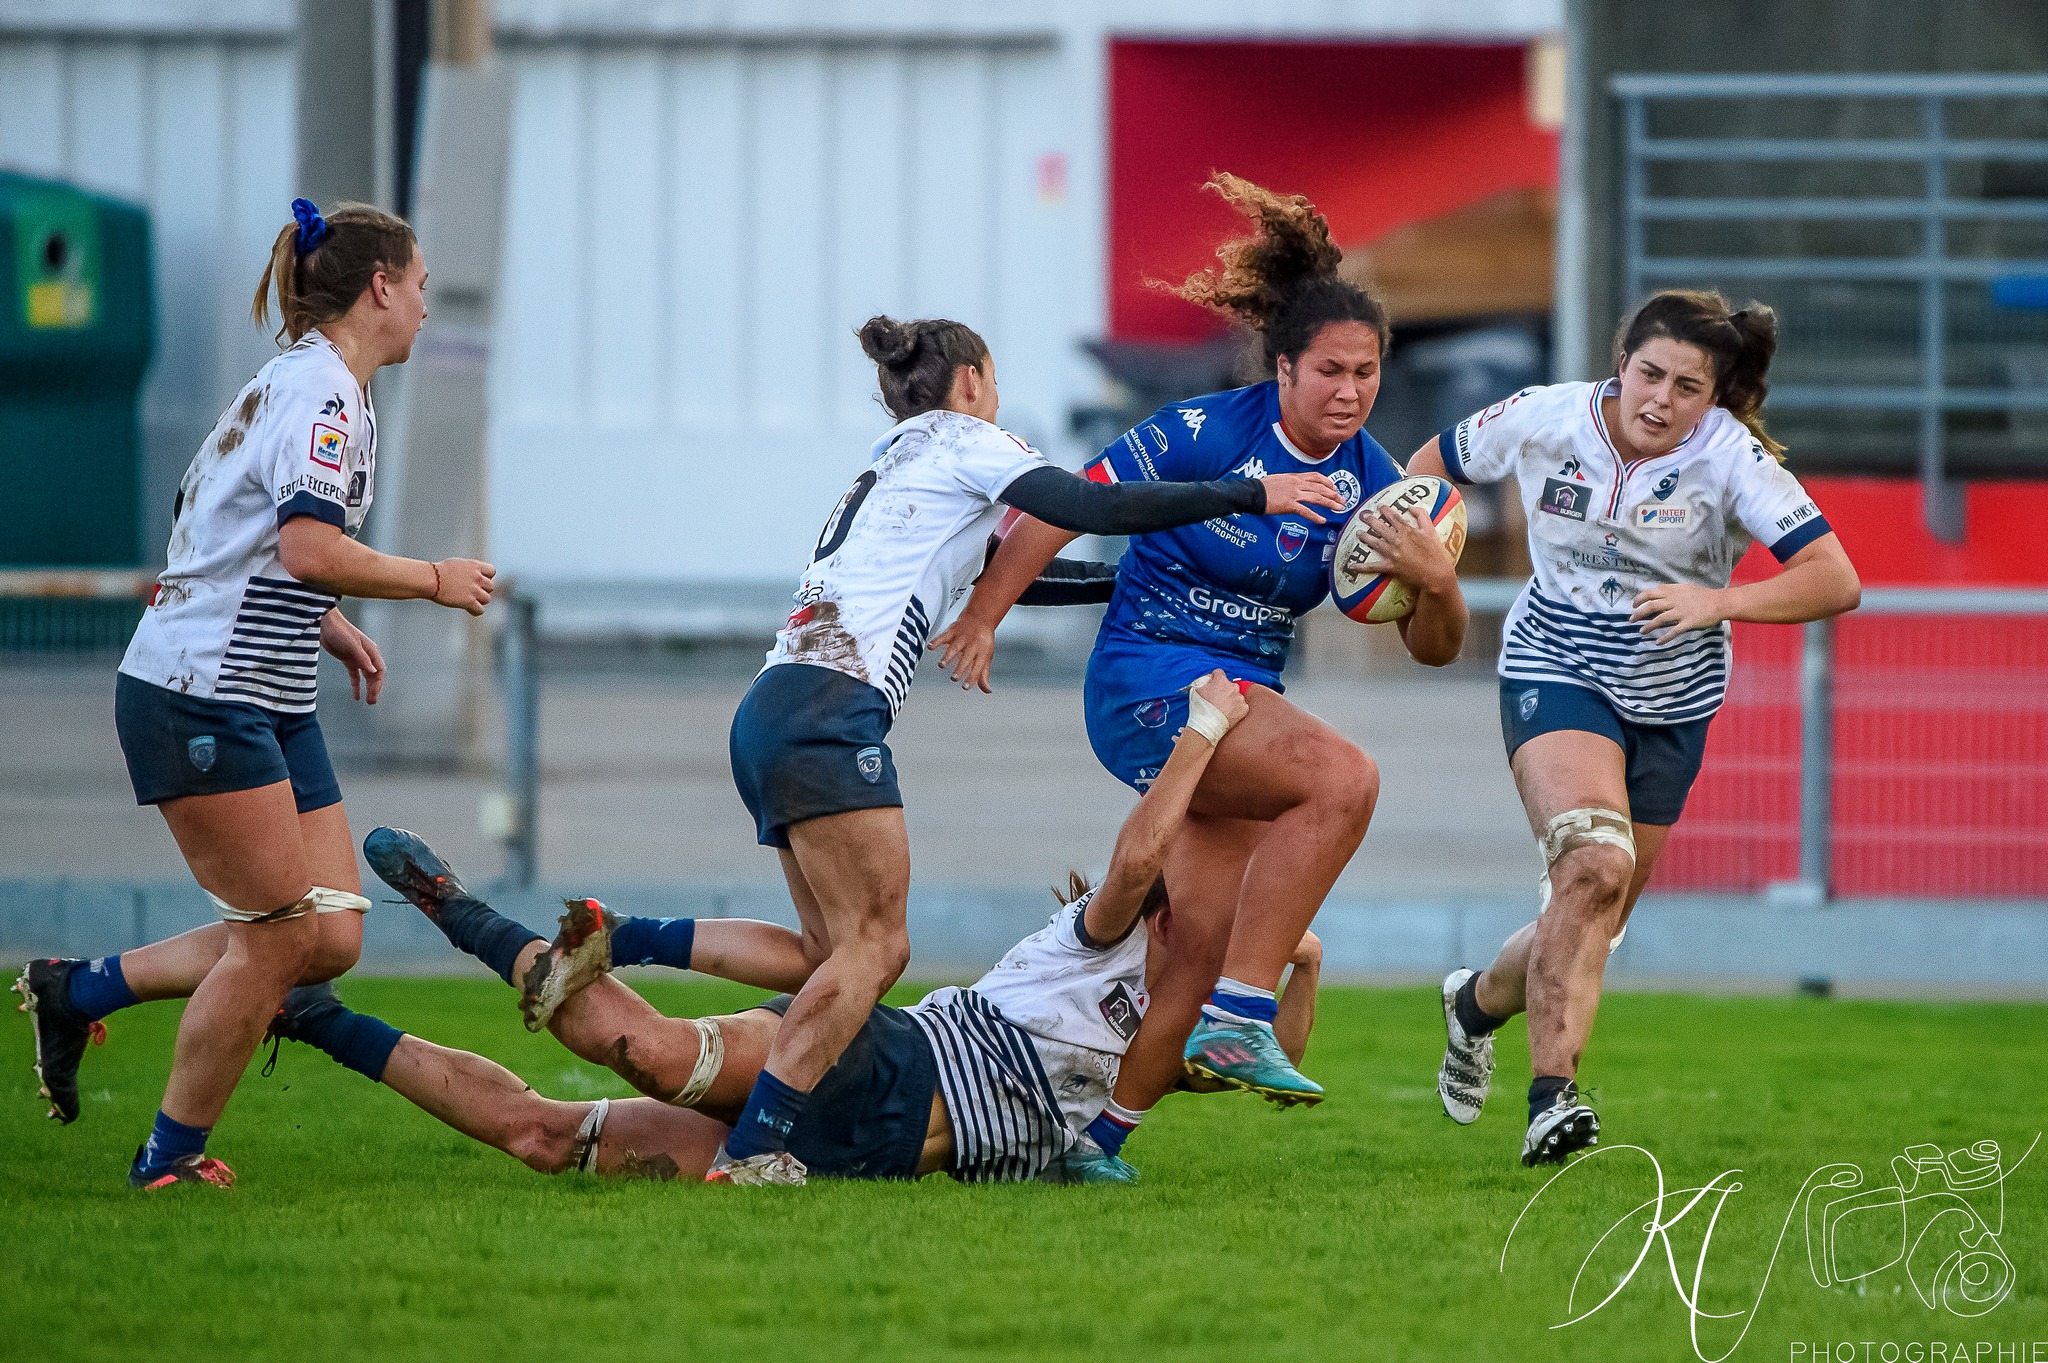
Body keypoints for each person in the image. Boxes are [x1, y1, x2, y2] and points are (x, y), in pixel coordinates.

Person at [711, 315, 1348, 1183]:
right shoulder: (974, 440)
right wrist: (1248, 495)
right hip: (833, 705)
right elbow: (1088, 503)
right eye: (997, 380)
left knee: (831, 950)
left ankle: (632, 937)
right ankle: (754, 1147)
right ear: (971, 380)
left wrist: (1141, 582)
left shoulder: (895, 456)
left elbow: (1019, 575)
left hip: (771, 702)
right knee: (878, 950)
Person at [931, 174, 1466, 1170]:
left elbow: (1430, 647)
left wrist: (1436, 584)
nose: (1349, 393)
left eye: (1366, 373)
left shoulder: (1384, 491)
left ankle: (1096, 1140)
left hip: (1237, 706)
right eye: (1328, 372)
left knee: (1199, 938)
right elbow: (1060, 502)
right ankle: (1244, 1015)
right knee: (1343, 778)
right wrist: (982, 615)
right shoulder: (1203, 433)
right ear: (1281, 367)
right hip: (1145, 681)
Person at [312, 672, 1315, 1185]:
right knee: (657, 1054)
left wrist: (1292, 960)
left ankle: (309, 1016)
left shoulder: (1176, 1020)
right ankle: (464, 912)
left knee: (542, 1137)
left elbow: (1250, 1063)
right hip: (882, 1060)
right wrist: (1202, 730)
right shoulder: (1104, 934)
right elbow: (1139, 859)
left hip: (863, 1159)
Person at [13, 198, 495, 1189]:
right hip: (199, 693)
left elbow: (224, 541)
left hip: (266, 695)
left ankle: (79, 989)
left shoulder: (304, 387)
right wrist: (431, 579)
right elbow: (305, 544)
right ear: (380, 289)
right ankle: (169, 1158)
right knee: (278, 937)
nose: (424, 305)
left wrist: (326, 621)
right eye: (420, 285)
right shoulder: (321, 398)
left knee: (329, 937)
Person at [1410, 290, 1861, 1166]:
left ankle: (1472, 1006)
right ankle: (1553, 1101)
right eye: (1649, 373)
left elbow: (1835, 578)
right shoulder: (1546, 418)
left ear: (1715, 397)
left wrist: (1718, 601)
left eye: (1688, 386)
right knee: (1593, 863)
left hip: (1674, 704)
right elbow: (1432, 462)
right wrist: (1415, 543)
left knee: (1592, 911)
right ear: (1621, 363)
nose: (1661, 398)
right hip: (1556, 670)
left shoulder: (1732, 459)